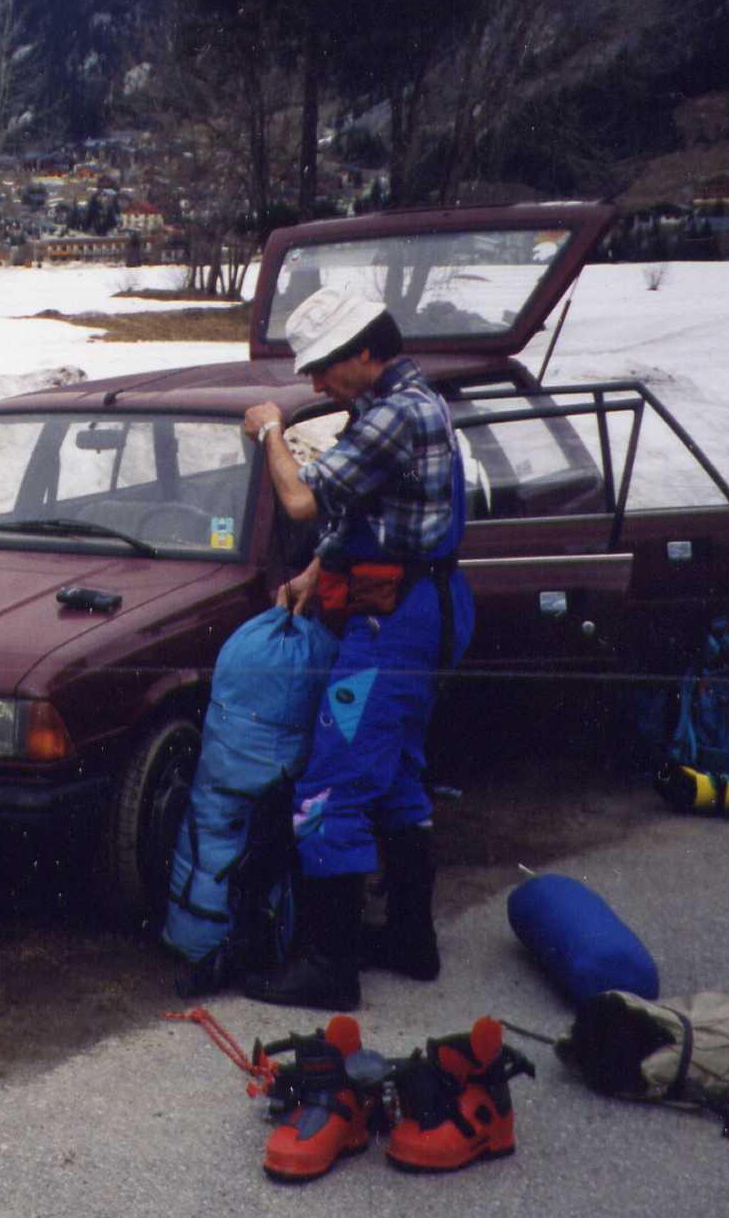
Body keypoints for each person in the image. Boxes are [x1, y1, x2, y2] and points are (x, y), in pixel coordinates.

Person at [240, 286, 474, 1012]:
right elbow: (373, 508)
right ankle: (410, 938)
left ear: (365, 351)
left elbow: (302, 500)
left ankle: (329, 967)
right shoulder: (402, 405)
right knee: (396, 772)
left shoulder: (396, 414)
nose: (315, 385)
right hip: (424, 606)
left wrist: (271, 432)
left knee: (331, 783)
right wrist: (318, 569)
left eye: (322, 368)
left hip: (392, 626)